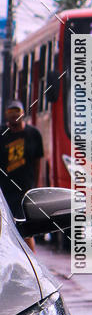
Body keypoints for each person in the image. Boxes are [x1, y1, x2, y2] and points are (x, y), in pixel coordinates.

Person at [0, 100, 43, 252]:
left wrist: (35, 187)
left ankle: (33, 267)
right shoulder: (2, 134)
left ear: (23, 114)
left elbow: (38, 162)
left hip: (24, 191)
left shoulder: (33, 134)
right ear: (6, 116)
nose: (14, 116)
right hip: (4, 192)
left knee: (26, 232)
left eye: (17, 112)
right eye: (10, 112)